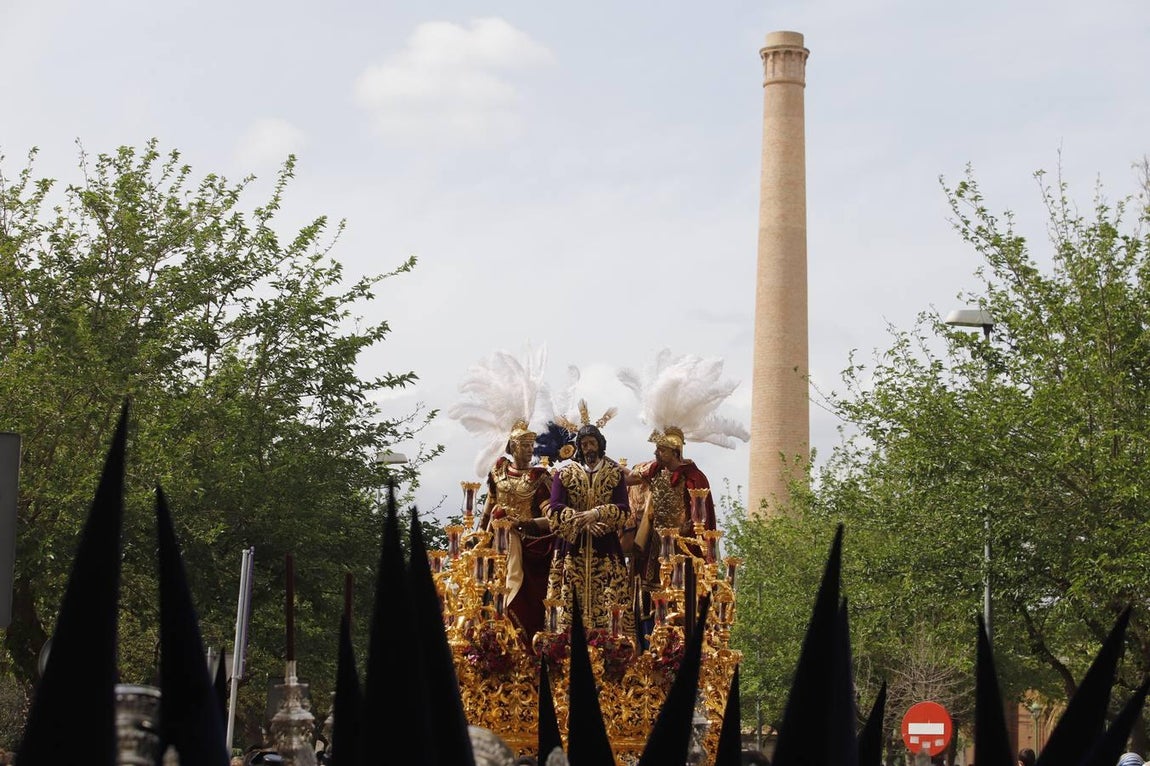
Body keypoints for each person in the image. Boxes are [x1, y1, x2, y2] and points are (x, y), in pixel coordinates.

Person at [625, 426, 717, 644]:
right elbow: (628, 478)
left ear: (675, 452)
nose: (656, 454)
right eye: (657, 450)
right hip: (657, 546)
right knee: (653, 591)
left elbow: (701, 518)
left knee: (682, 595)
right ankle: (654, 641)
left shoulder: (694, 477)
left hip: (684, 547)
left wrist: (685, 529)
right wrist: (603, 460)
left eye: (661, 450)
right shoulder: (655, 470)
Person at [547, 412, 631, 632]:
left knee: (609, 607)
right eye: (584, 444)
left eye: (592, 443)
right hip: (571, 551)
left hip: (606, 549)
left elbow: (624, 510)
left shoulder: (614, 474)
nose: (588, 448)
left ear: (600, 444)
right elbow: (555, 508)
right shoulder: (564, 474)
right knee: (568, 609)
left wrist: (598, 513)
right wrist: (583, 521)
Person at [477, 419, 556, 650]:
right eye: (524, 445)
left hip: (525, 545)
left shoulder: (539, 477)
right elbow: (489, 505)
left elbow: (551, 517)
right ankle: (491, 640)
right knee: (487, 589)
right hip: (494, 542)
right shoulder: (498, 471)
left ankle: (523, 644)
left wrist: (525, 523)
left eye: (532, 445)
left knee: (523, 599)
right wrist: (479, 534)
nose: (530, 449)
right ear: (512, 447)